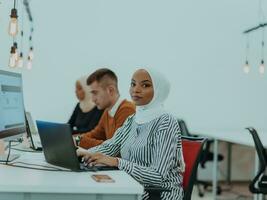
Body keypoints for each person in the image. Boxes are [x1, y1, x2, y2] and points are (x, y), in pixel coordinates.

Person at [77, 68, 185, 200]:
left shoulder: (166, 121)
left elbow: (157, 176)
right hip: (131, 186)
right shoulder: (133, 119)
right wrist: (83, 153)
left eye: (145, 85)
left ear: (158, 90)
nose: (136, 90)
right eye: (133, 84)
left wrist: (117, 162)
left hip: (160, 194)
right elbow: (110, 146)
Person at [78, 68, 136, 149]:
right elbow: (95, 134)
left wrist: (79, 141)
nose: (93, 99)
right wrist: (76, 139)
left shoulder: (127, 110)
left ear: (110, 90)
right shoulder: (108, 111)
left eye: (95, 93)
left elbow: (116, 148)